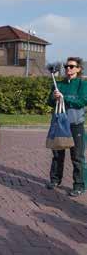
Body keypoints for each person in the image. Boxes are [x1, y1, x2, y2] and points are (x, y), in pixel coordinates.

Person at [46, 57, 87, 197]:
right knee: (57, 155)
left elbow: (82, 101)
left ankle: (79, 185)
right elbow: (49, 103)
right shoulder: (58, 84)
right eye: (66, 66)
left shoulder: (82, 84)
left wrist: (65, 97)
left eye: (71, 66)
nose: (68, 69)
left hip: (76, 126)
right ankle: (55, 180)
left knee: (78, 157)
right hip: (60, 124)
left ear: (78, 69)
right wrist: (54, 96)